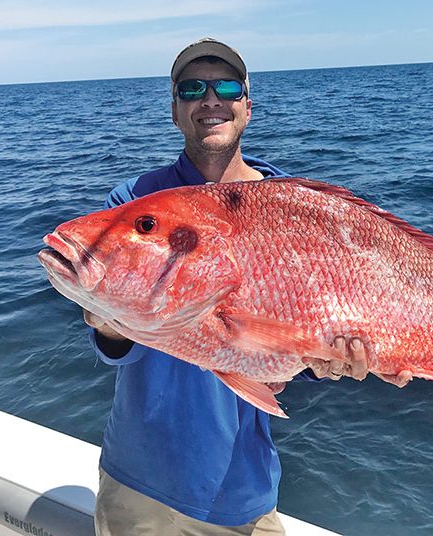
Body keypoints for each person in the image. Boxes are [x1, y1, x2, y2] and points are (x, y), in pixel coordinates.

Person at [84, 38, 369, 536]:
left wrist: (328, 363)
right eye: (192, 88)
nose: (210, 99)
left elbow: (291, 353)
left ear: (247, 106)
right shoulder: (136, 201)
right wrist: (109, 325)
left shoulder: (292, 207)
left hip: (243, 488)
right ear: (175, 110)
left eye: (227, 86)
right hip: (138, 481)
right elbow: (115, 347)